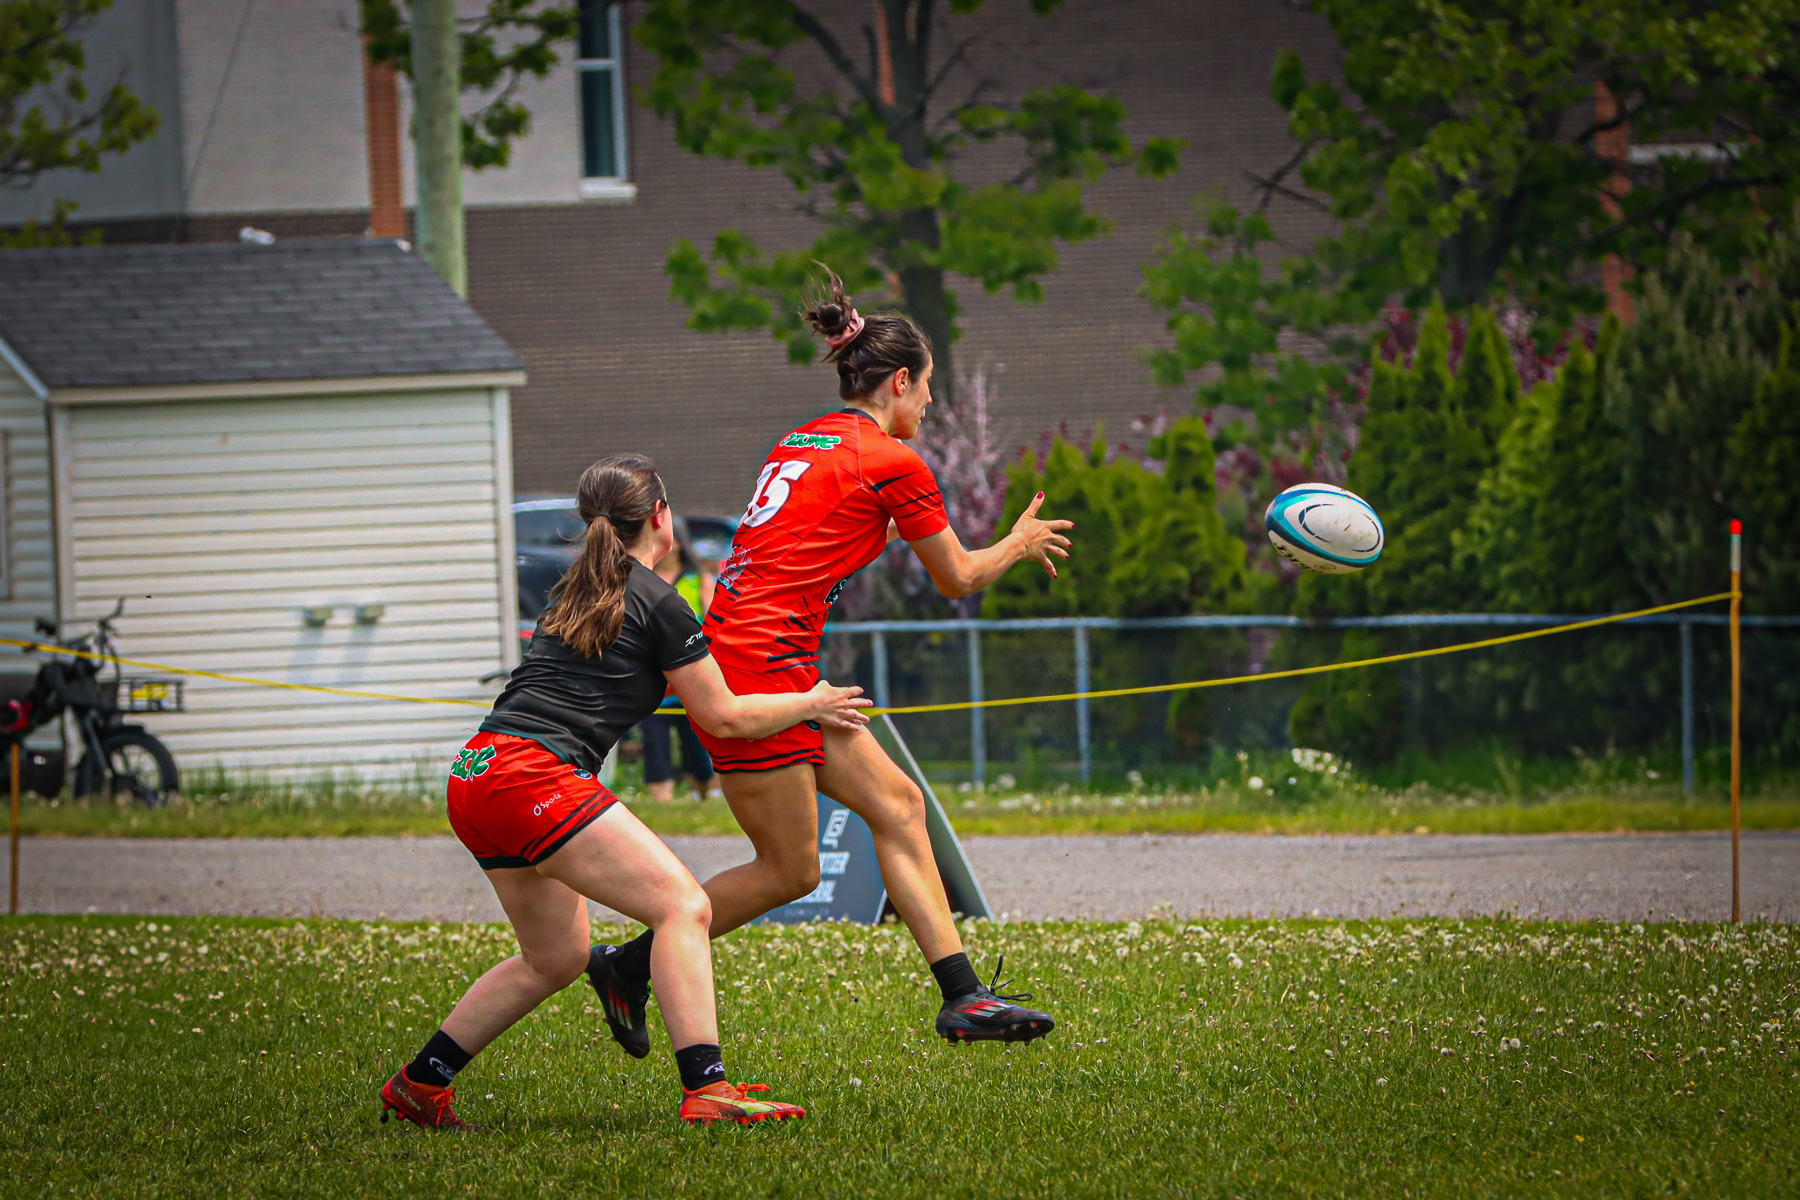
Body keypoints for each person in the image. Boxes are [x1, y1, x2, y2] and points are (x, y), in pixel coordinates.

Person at [587, 270, 1071, 1057]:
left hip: (751, 652)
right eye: (926, 393)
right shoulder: (891, 461)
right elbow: (956, 578)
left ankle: (964, 996)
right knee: (789, 871)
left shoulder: (803, 438)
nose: (928, 409)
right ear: (902, 380)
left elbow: (816, 539)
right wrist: (1017, 541)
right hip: (763, 668)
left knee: (899, 806)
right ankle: (629, 965)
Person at [378, 454, 869, 1131]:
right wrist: (809, 698)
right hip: (533, 776)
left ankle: (420, 1084)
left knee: (555, 958)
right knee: (683, 907)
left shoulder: (576, 587)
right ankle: (709, 1088)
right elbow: (721, 715)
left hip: (476, 773)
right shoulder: (659, 600)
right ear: (660, 518)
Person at [638, 515, 718, 803]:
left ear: (680, 543)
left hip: (689, 677)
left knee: (694, 744)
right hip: (652, 679)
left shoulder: (699, 581)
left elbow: (712, 626)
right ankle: (663, 804)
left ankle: (704, 794)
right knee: (654, 744)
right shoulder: (641, 578)